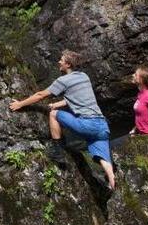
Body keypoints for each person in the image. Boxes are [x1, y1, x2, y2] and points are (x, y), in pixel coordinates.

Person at [9, 50, 114, 190]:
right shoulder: (84, 76)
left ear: (68, 64)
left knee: (53, 114)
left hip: (87, 124)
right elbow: (76, 98)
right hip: (102, 127)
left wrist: (20, 104)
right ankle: (113, 182)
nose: (59, 61)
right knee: (105, 161)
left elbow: (41, 95)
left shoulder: (63, 80)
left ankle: (57, 151)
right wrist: (58, 103)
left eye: (61, 60)